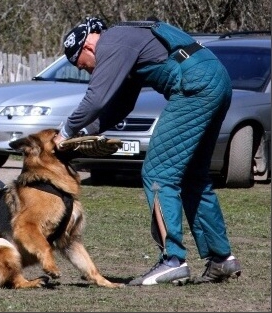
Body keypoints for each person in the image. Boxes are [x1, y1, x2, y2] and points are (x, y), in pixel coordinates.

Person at [54, 17, 242, 286]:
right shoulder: (126, 43)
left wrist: (66, 132)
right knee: (194, 176)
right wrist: (85, 133)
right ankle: (221, 258)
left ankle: (173, 260)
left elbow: (95, 99)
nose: (88, 71)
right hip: (214, 78)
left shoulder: (110, 43)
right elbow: (119, 106)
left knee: (158, 173)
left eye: (83, 66)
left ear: (87, 48)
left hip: (195, 87)